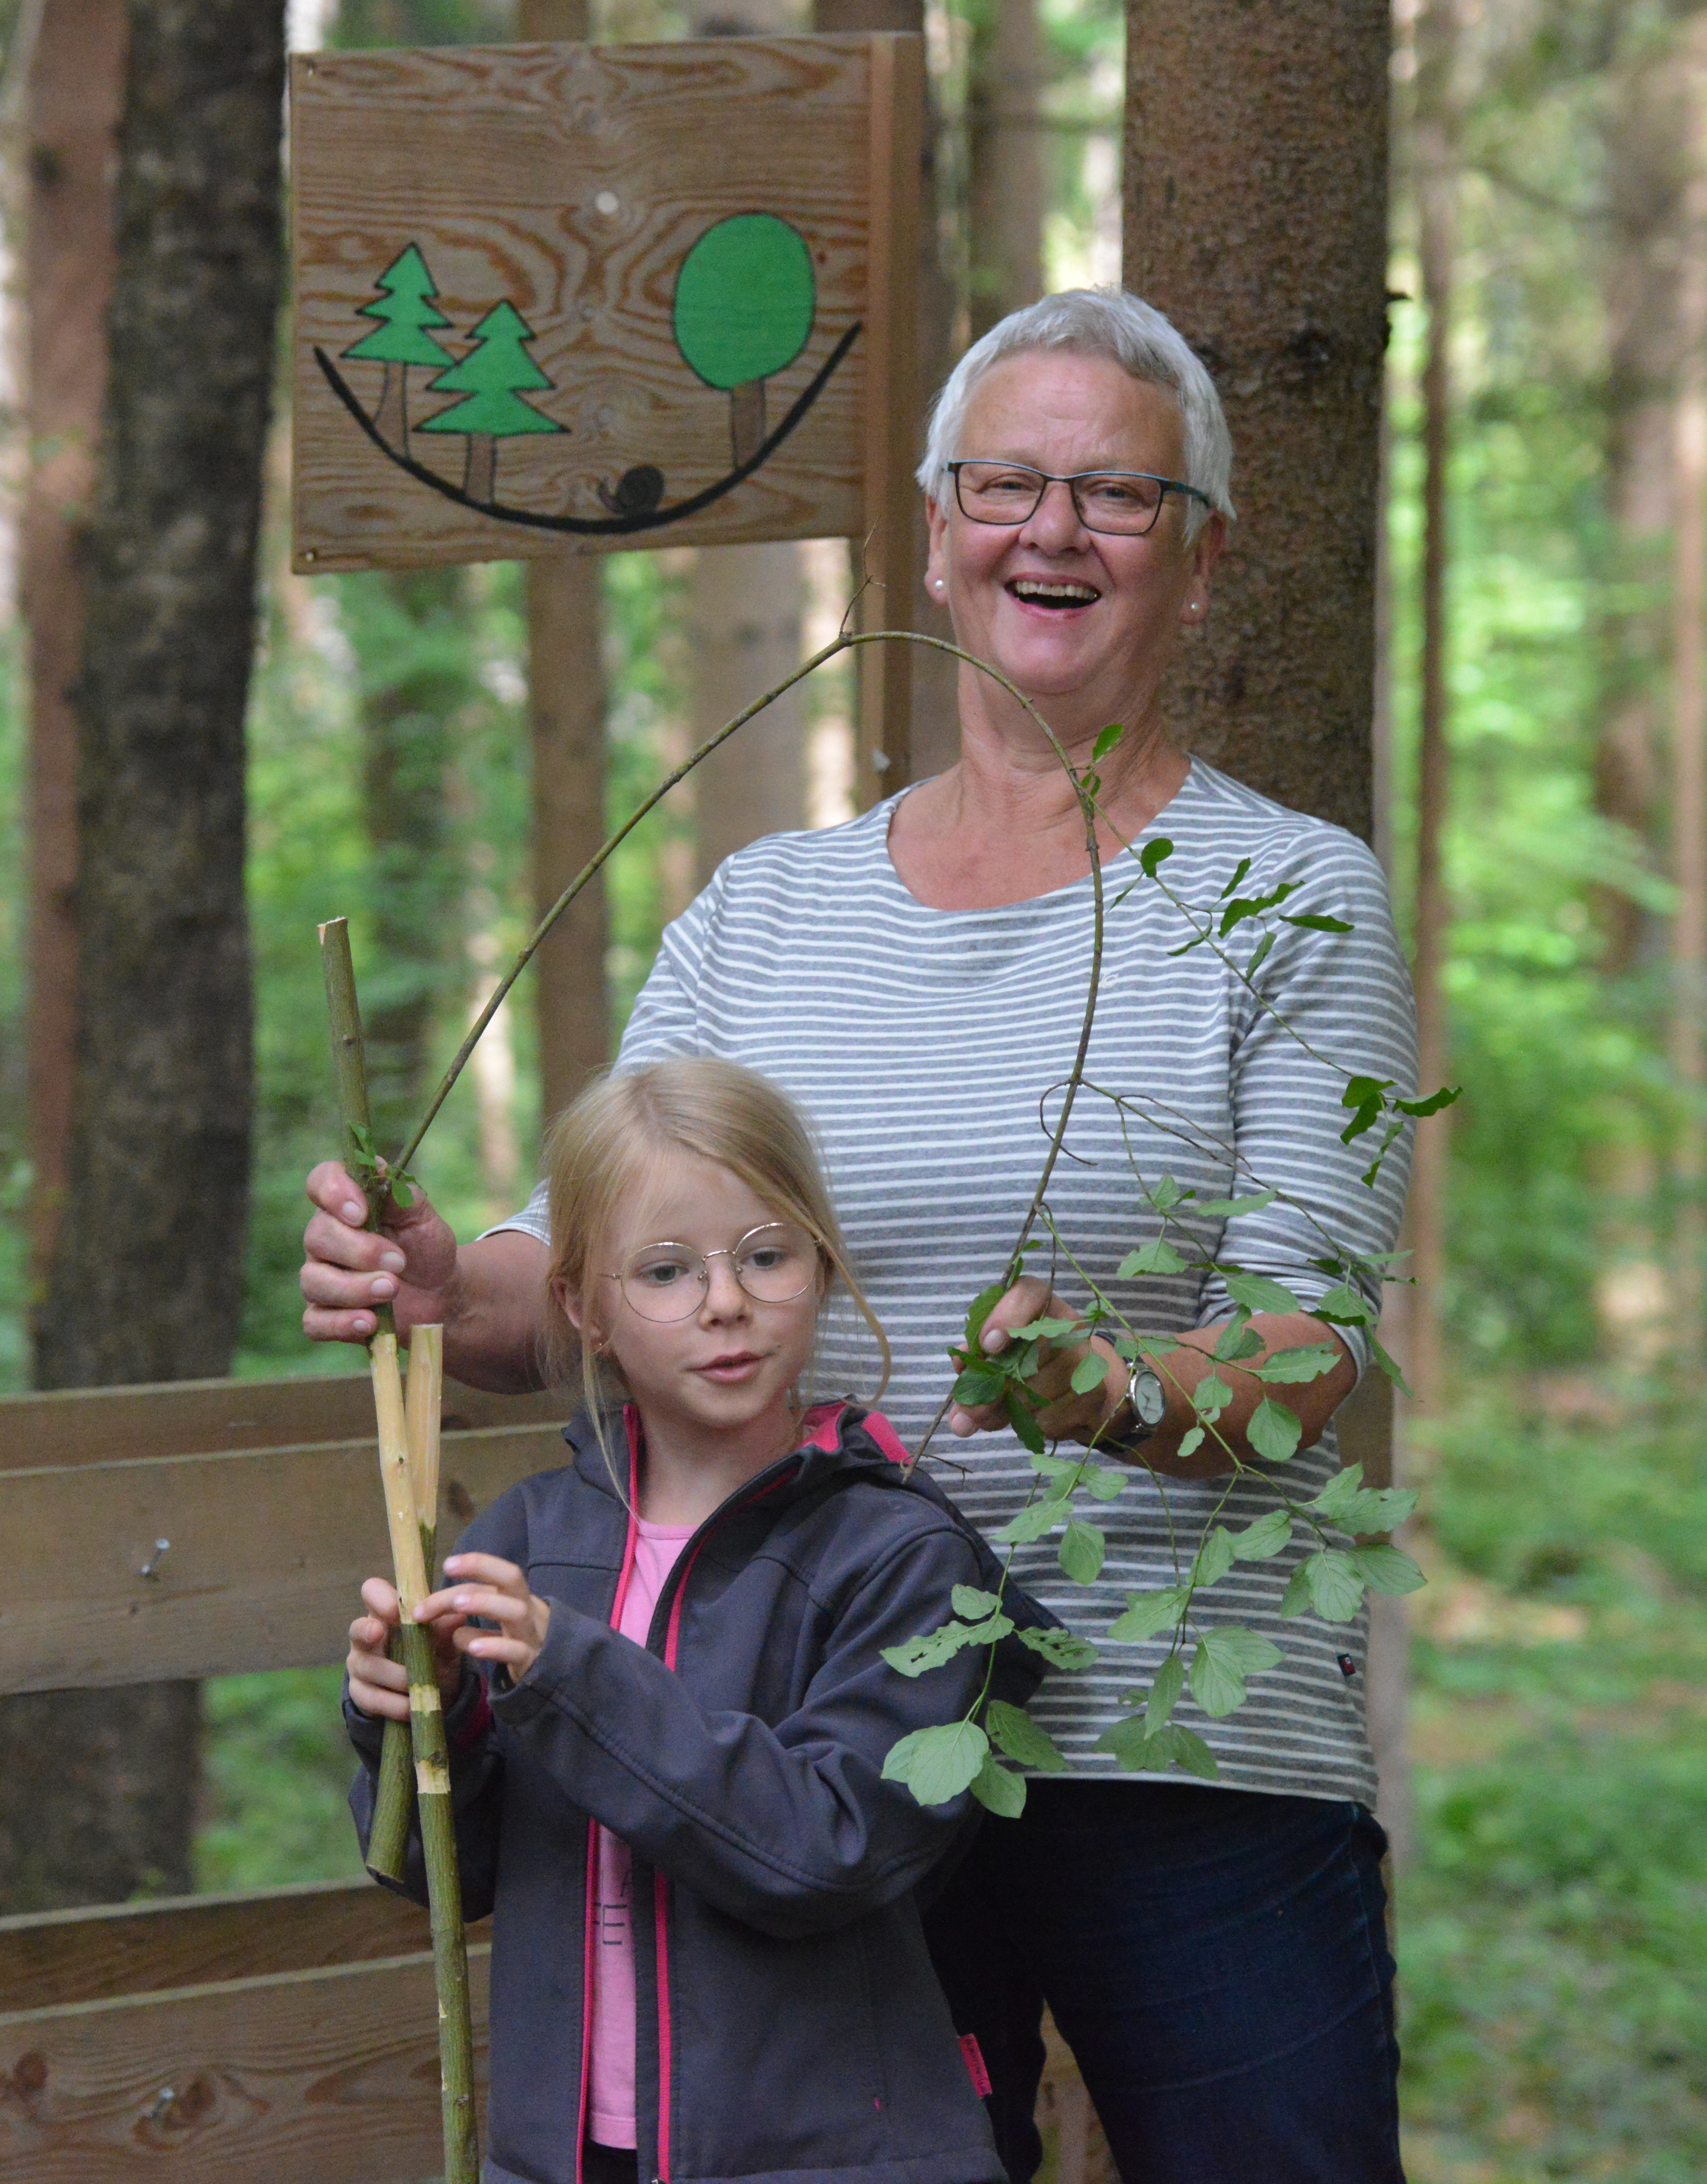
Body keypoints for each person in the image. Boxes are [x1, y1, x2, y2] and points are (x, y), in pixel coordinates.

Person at [309, 288, 1415, 2183]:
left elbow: (1309, 1360)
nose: (1047, 532)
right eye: (1004, 483)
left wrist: (1114, 1389)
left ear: (1203, 560)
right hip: (819, 1748)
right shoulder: (765, 912)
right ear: (930, 528)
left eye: (1116, 497)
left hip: (1180, 1752)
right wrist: (437, 1280)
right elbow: (571, 1268)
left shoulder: (1287, 891)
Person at [345, 1056, 1047, 2184]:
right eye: (666, 1272)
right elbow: (450, 1875)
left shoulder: (907, 1558)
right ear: (584, 1307)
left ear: (821, 1263)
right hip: (565, 2158)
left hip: (826, 2162)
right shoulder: (532, 1544)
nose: (725, 1302)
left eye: (765, 1257)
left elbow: (831, 1851)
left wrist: (573, 1676)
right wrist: (422, 1714)